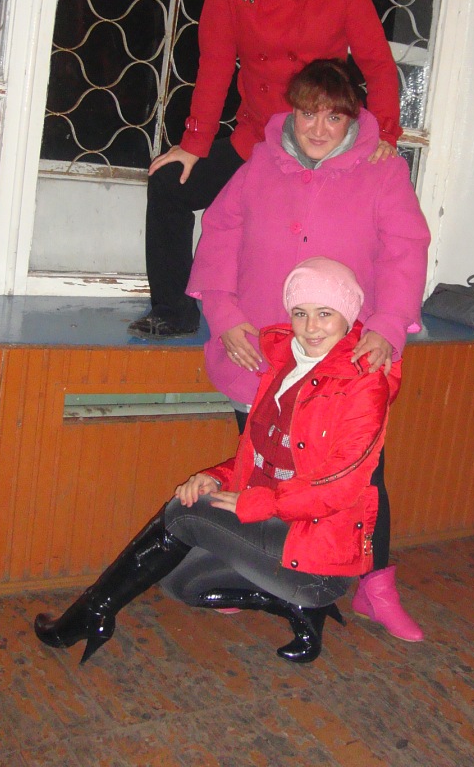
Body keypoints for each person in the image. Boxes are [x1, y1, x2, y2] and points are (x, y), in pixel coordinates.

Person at [34, 258, 398, 664]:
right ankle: (297, 608)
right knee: (179, 581)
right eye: (300, 313)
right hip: (279, 530)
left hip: (318, 556)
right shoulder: (288, 366)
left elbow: (340, 486)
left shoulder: (364, 383)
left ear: (347, 315)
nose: (311, 327)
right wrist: (215, 478)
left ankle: (92, 614)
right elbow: (264, 456)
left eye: (325, 313)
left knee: (184, 514)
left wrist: (258, 503)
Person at [187, 58, 431, 642]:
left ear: (351, 118)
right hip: (262, 354)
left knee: (361, 481)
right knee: (259, 466)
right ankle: (248, 571)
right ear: (291, 113)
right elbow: (219, 233)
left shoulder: (382, 171)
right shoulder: (259, 165)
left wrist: (388, 325)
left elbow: (406, 249)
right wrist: (224, 316)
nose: (318, 128)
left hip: (346, 360)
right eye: (307, 114)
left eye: (333, 116)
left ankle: (375, 587)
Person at [129, 0, 401, 339]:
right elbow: (216, 59)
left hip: (314, 145)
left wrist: (387, 135)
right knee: (169, 183)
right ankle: (173, 311)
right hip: (255, 138)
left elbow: (377, 62)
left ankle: (328, 323)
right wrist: (194, 144)